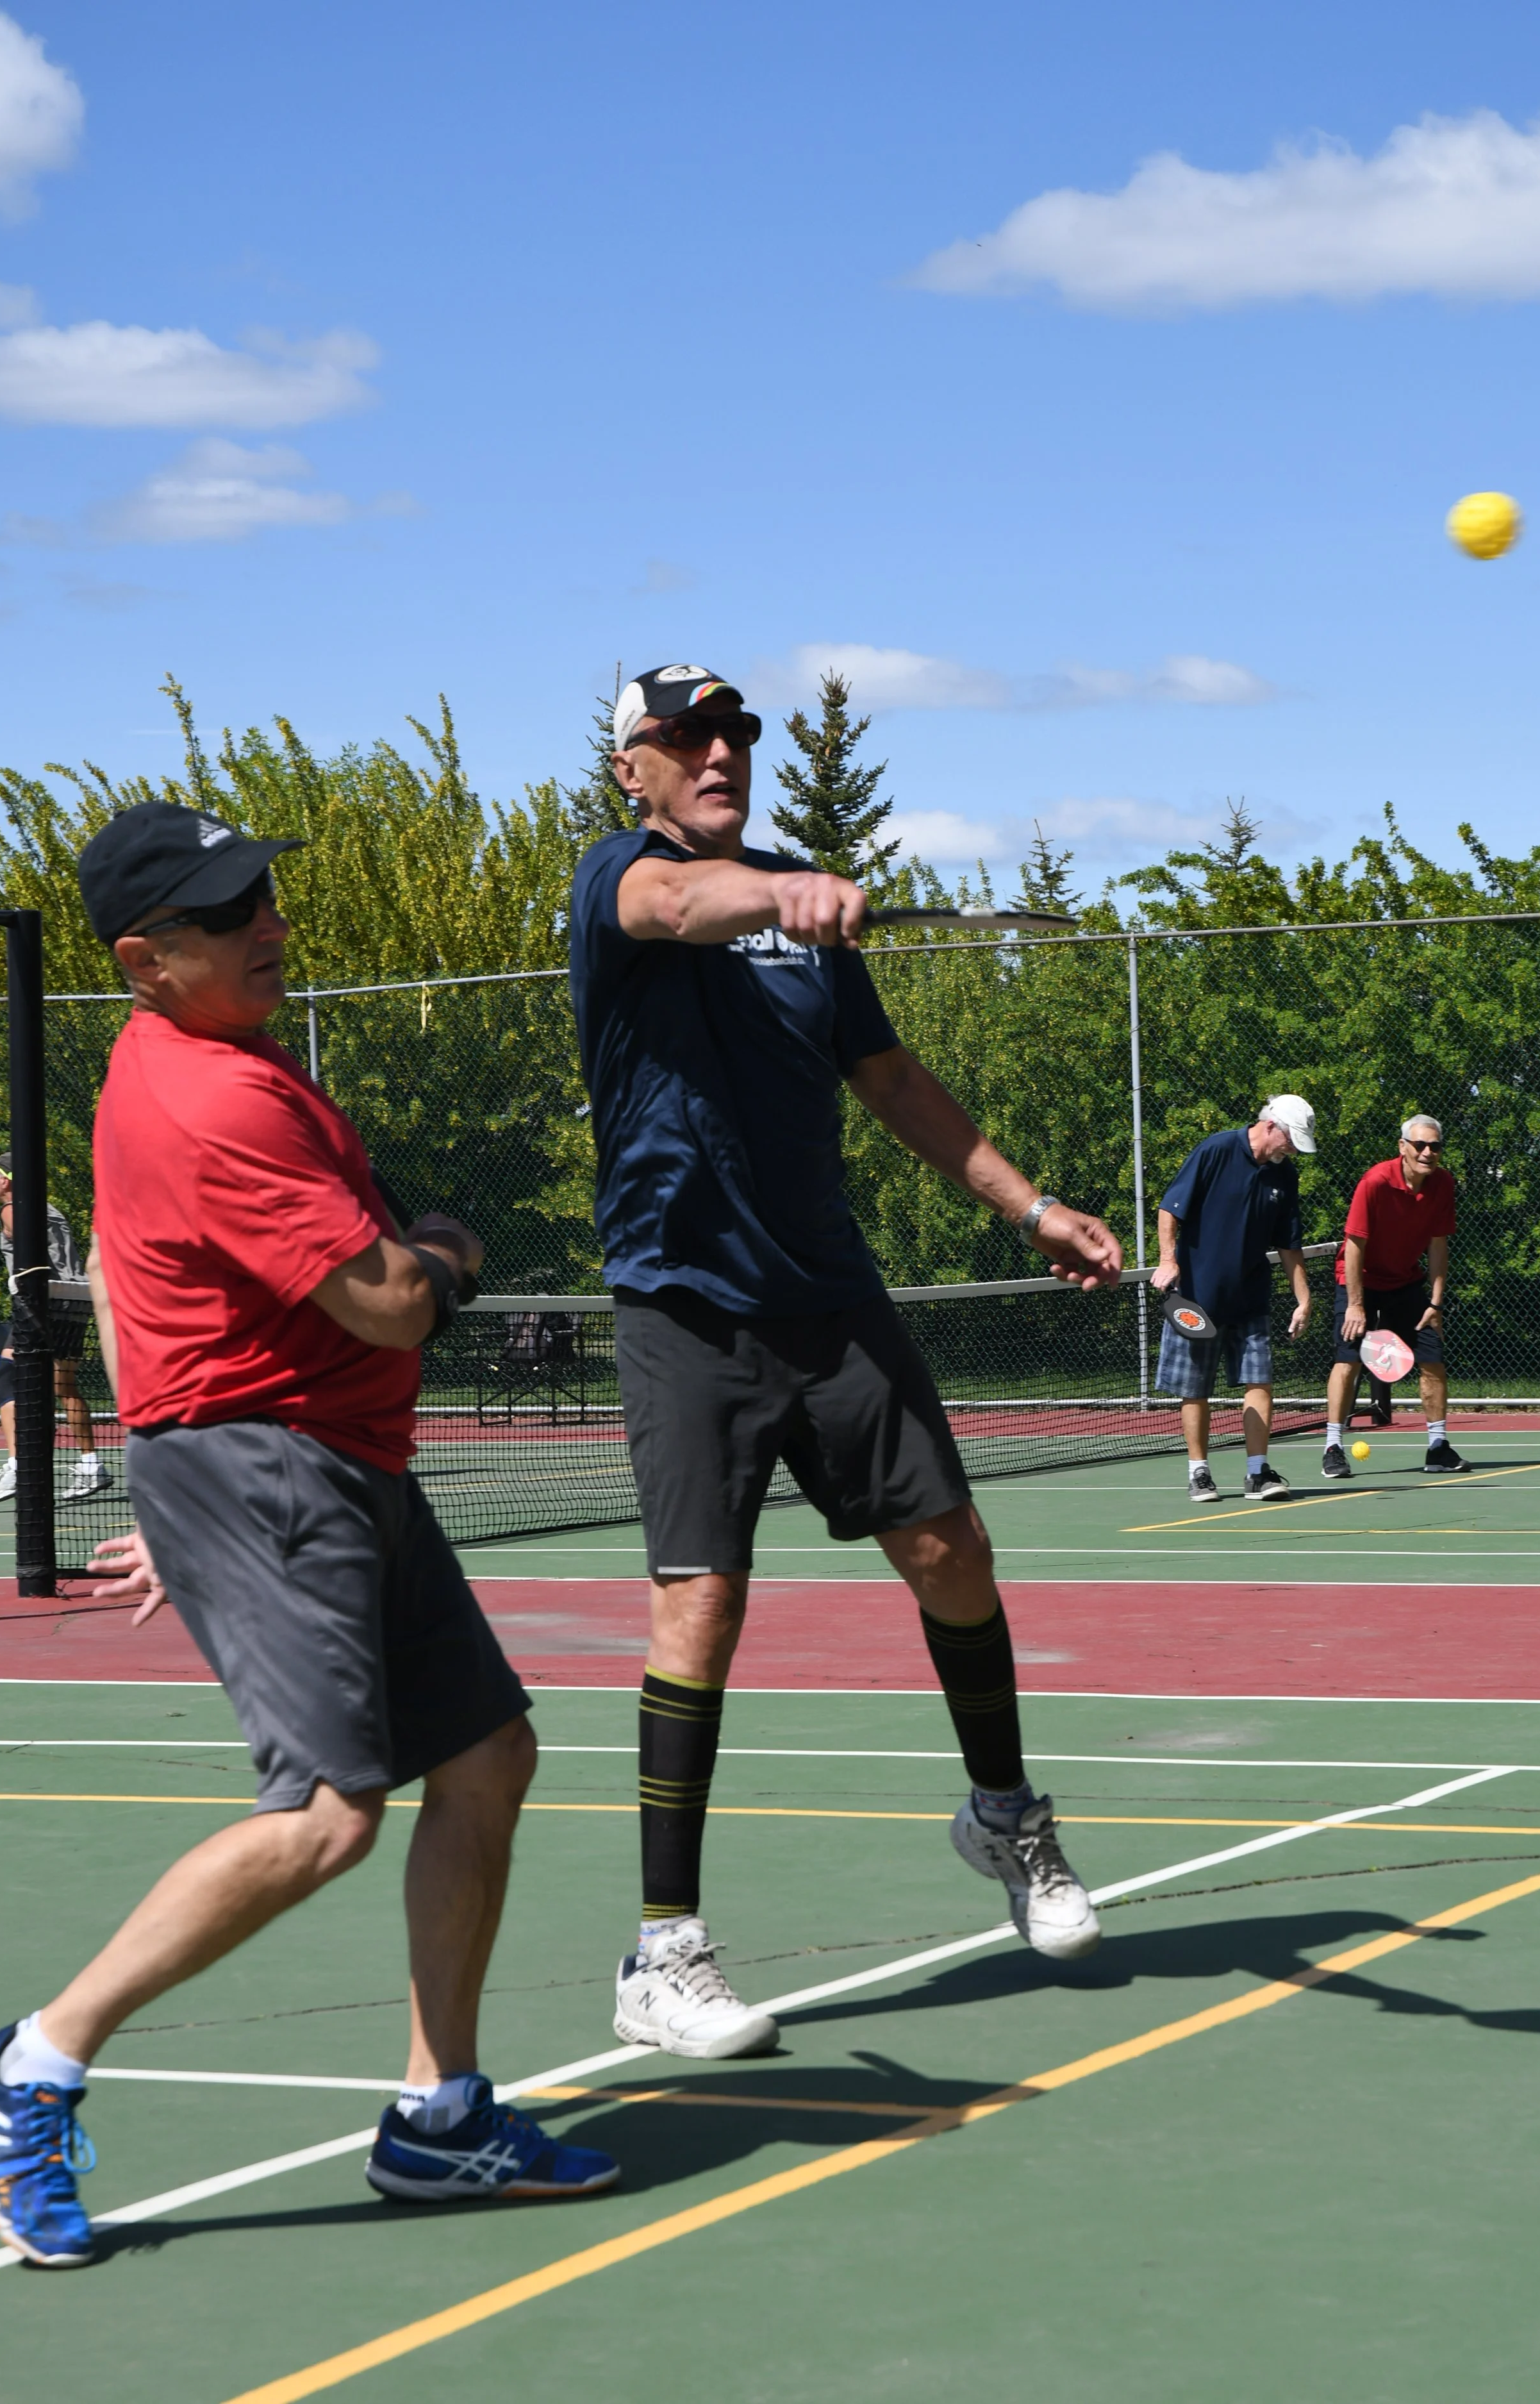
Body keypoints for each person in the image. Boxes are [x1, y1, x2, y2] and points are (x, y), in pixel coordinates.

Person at [0, 801, 617, 2271]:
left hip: (311, 1464)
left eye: (266, 892)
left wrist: (180, 1484)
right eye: (232, 912)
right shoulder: (216, 1097)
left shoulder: (218, 1060)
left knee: (485, 1752)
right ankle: (37, 2058)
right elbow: (397, 1295)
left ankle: (439, 2111)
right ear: (145, 959)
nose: (271, 921)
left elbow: (193, 1287)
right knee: (331, 1809)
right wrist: (455, 1254)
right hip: (277, 1468)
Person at [570, 662, 1123, 2064]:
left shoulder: (808, 916)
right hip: (682, 1308)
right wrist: (776, 895)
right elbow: (683, 906)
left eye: (732, 737)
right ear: (629, 765)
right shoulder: (617, 883)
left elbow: (887, 1081)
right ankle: (664, 1954)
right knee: (696, 1603)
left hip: (827, 1299)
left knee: (953, 1553)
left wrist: (1031, 1205)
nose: (715, 754)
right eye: (684, 738)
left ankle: (1006, 1821)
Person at [1151, 1098, 1314, 1503]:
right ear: (1272, 1126)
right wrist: (1168, 1260)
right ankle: (1199, 1474)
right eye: (1292, 1141)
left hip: (1251, 1298)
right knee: (1196, 1389)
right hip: (1196, 1298)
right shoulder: (1216, 1150)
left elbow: (1289, 1246)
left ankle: (1258, 1474)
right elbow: (1170, 1210)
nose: (1292, 1150)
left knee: (1260, 1381)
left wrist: (1303, 1299)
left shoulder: (1285, 1176)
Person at [1321, 1113, 1465, 1478]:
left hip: (1405, 1282)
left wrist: (1435, 1304)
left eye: (1435, 1146)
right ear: (1403, 1147)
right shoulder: (1374, 1182)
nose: (1428, 1152)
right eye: (1420, 1145)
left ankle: (1438, 1447)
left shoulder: (1443, 1184)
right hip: (1359, 1280)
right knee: (1348, 1359)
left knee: (1432, 1358)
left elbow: (1438, 1246)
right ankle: (1334, 1446)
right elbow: (1354, 1245)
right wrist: (1356, 1304)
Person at [0, 1153, 112, 1505]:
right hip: (75, 1300)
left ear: (6, 1179)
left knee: (8, 1377)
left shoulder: (12, 1208)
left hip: (45, 1303)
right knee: (64, 1384)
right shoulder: (47, 1207)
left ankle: (19, 1465)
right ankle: (92, 1465)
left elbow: (32, 1252)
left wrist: (31, 1293)